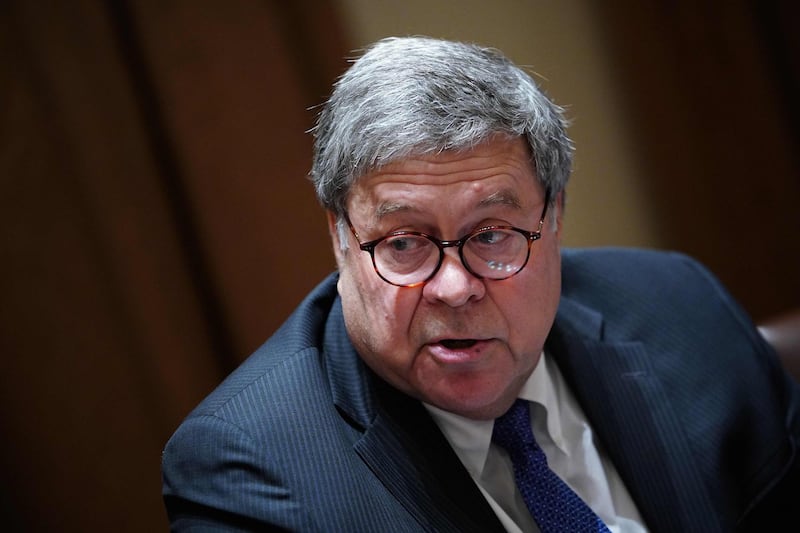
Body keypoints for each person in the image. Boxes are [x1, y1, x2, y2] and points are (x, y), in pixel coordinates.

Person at [161, 36, 799, 532]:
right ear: (339, 238)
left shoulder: (679, 306)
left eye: (491, 234)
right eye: (403, 243)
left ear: (552, 217)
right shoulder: (252, 472)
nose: (453, 287)